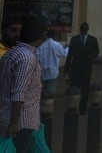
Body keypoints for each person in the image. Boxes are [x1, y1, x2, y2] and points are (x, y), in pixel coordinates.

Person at [0, 16, 46, 153]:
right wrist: (14, 122)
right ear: (42, 37)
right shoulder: (27, 58)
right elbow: (19, 91)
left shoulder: (11, 53)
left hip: (9, 116)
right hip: (21, 121)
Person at [64, 22, 100, 114]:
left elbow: (96, 52)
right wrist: (66, 70)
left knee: (85, 89)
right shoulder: (74, 39)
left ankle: (83, 107)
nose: (83, 31)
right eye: (82, 29)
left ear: (87, 29)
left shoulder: (92, 40)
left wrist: (90, 57)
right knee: (74, 87)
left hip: (86, 68)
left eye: (85, 29)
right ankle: (72, 107)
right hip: (75, 68)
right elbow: (69, 56)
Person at [38, 29, 68, 95]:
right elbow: (64, 54)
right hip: (53, 72)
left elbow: (37, 58)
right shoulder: (57, 45)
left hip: (44, 72)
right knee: (51, 93)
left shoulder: (41, 46)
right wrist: (67, 48)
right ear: (54, 36)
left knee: (45, 91)